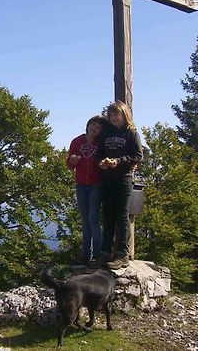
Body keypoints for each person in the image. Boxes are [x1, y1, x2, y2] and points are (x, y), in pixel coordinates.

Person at [94, 101, 143, 270]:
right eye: (111, 114)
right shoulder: (106, 133)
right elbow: (99, 153)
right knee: (108, 216)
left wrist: (119, 161)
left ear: (124, 115)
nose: (114, 117)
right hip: (107, 178)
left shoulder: (132, 133)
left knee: (121, 216)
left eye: (117, 114)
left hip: (123, 178)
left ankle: (122, 254)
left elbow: (137, 155)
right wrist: (101, 162)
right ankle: (105, 252)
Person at [67, 115, 107, 266]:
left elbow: (104, 161)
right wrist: (72, 161)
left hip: (96, 184)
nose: (94, 129)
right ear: (88, 125)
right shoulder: (77, 141)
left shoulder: (100, 143)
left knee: (93, 220)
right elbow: (70, 164)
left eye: (98, 127)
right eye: (93, 125)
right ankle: (85, 254)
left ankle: (98, 255)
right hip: (81, 185)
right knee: (85, 220)